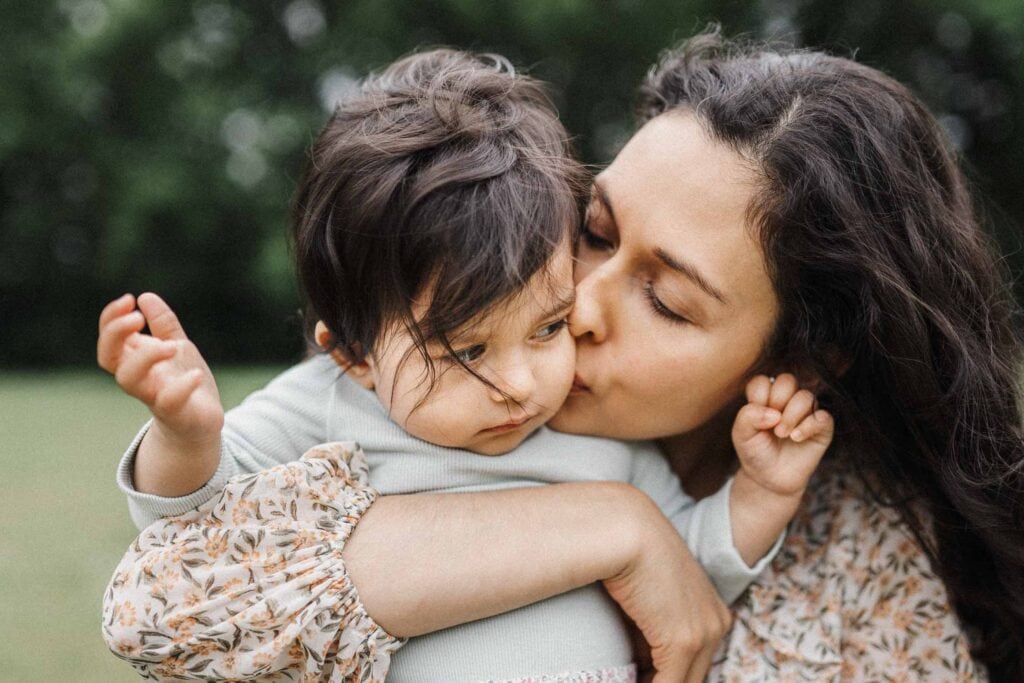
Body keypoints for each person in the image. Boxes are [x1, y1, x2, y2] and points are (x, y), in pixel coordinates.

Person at [101, 29, 1024, 682]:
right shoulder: (381, 394)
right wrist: (613, 524)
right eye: (592, 229)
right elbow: (161, 598)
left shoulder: (867, 605)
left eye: (666, 299)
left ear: (807, 357)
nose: (574, 304)